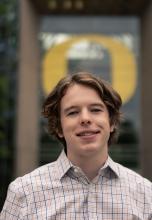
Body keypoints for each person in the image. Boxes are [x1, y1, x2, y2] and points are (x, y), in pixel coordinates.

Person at [0, 72, 152, 220]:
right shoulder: (23, 192)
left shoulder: (145, 194)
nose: (85, 118)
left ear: (111, 122)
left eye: (95, 110)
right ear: (59, 128)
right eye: (72, 112)